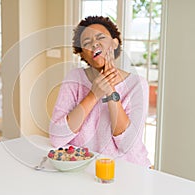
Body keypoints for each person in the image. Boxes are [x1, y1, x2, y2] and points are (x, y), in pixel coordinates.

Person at [49, 16, 151, 167]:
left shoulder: (137, 84)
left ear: (115, 43)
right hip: (85, 170)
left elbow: (126, 145)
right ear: (82, 54)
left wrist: (110, 92)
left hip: (129, 170)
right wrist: (93, 95)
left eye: (100, 37)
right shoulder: (74, 78)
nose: (94, 43)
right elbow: (57, 137)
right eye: (86, 42)